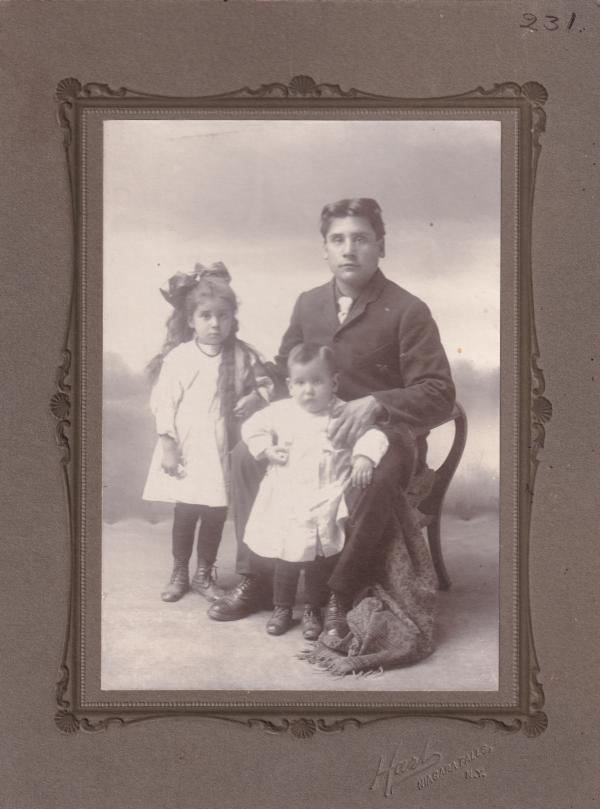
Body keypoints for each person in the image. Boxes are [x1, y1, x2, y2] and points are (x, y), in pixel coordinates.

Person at [208, 198, 455, 650]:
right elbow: (286, 371)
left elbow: (440, 394)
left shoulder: (407, 309)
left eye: (360, 239)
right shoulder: (308, 304)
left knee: (373, 477)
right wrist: (262, 393)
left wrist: (376, 405)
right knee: (245, 456)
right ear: (324, 249)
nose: (349, 249)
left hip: (384, 435)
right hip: (312, 427)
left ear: (380, 247)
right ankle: (258, 578)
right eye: (337, 239)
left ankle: (340, 595)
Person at [142, 262, 273, 603]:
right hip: (187, 444)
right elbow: (163, 404)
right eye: (206, 316)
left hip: (220, 445)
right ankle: (179, 571)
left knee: (215, 512)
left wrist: (254, 398)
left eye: (223, 316)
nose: (215, 324)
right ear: (190, 320)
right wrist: (168, 445)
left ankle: (204, 573)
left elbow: (267, 385)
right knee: (186, 512)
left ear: (233, 319)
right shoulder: (180, 358)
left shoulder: (242, 355)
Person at [240, 343, 389, 639]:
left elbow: (373, 435)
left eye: (317, 381)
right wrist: (267, 449)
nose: (308, 390)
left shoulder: (343, 412)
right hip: (287, 496)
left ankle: (312, 609)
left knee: (318, 558)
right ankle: (282, 608)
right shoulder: (281, 411)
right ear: (289, 386)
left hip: (325, 495)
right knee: (287, 556)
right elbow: (252, 427)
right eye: (300, 383)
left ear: (333, 382)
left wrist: (363, 456)